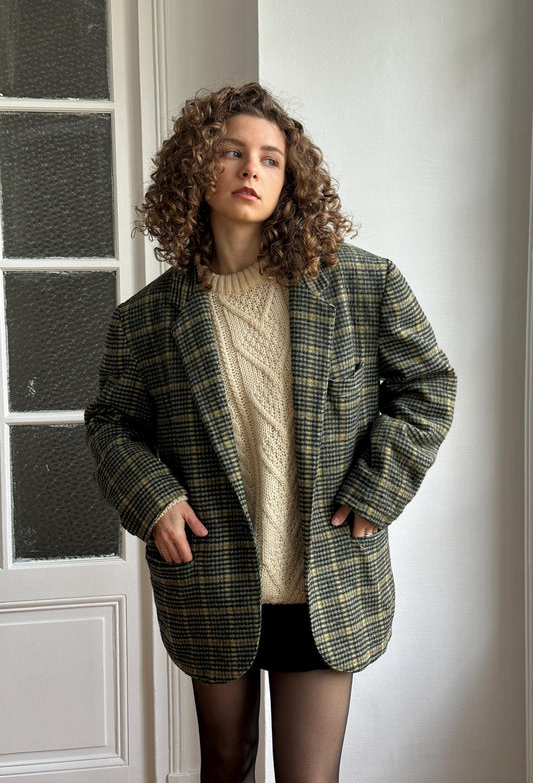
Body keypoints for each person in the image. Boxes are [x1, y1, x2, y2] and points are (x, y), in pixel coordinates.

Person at [85, 82, 456, 783]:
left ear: (290, 181)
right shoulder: (145, 320)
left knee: (308, 779)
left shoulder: (361, 284)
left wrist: (378, 487)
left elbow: (429, 386)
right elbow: (111, 423)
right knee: (226, 766)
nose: (251, 170)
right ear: (196, 168)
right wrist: (153, 497)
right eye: (231, 153)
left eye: (271, 159)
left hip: (325, 576)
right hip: (212, 581)